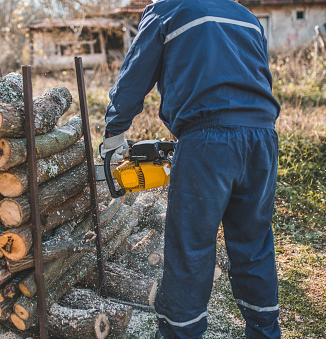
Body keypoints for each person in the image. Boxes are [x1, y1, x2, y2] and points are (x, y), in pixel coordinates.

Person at [99, 0, 281, 338]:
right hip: (262, 138)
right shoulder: (246, 16)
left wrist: (113, 134)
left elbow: (135, 76)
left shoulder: (167, 9)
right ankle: (265, 330)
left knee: (190, 247)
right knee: (254, 243)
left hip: (208, 140)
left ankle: (180, 333)